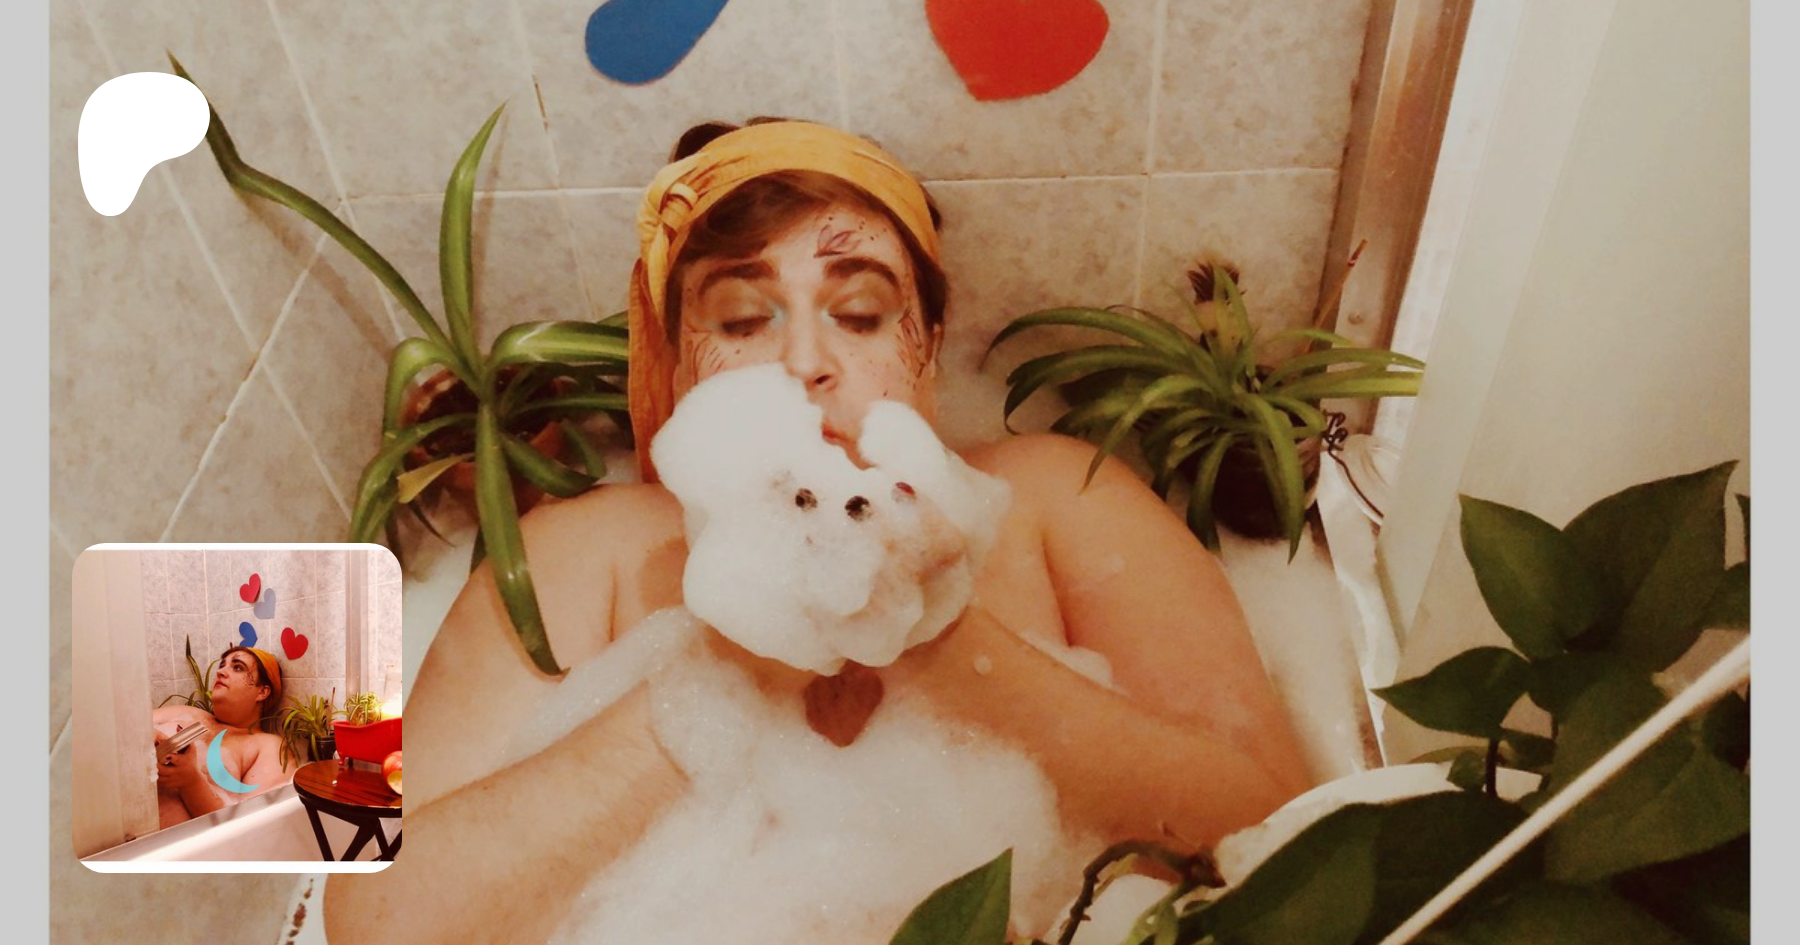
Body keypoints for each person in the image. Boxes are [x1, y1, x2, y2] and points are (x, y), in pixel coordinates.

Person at [326, 119, 1312, 944]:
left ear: (927, 344)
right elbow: (370, 913)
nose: (805, 360)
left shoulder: (1057, 501)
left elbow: (1289, 840)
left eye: (861, 312)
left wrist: (941, 642)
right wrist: (725, 673)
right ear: (677, 363)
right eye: (742, 320)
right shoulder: (578, 554)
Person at [152, 645, 296, 828]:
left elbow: (250, 826)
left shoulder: (267, 746)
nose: (220, 672)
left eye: (238, 667)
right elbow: (126, 732)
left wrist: (190, 782)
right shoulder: (184, 713)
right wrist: (148, 736)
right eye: (222, 665)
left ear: (262, 692)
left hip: (186, 843)